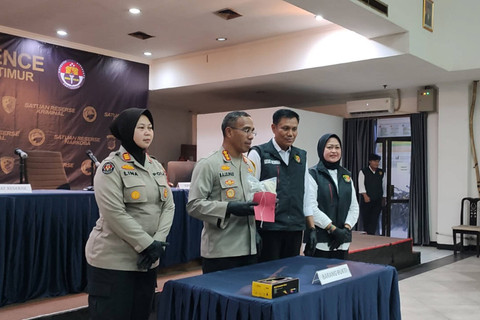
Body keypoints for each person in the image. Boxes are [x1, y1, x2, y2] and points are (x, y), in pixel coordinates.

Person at [85, 108, 175, 320]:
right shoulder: (110, 167)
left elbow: (168, 206)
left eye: (150, 128)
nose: (148, 133)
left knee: (141, 314)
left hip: (147, 260)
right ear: (126, 130)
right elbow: (114, 212)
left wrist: (158, 242)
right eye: (141, 127)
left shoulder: (155, 165)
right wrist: (146, 243)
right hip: (114, 261)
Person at [187, 111, 259, 273]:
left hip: (250, 250)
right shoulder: (209, 164)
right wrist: (229, 208)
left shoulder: (249, 165)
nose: (251, 136)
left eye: (253, 131)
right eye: (246, 130)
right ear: (229, 132)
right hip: (221, 253)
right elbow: (193, 205)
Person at [248, 109, 316, 262]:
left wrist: (311, 228)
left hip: (295, 228)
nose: (290, 133)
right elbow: (250, 194)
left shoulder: (301, 156)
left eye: (294, 129)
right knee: (267, 277)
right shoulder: (259, 153)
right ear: (274, 128)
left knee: (290, 275)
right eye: (285, 128)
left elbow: (306, 194)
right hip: (269, 229)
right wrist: (254, 230)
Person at [305, 133, 359, 260]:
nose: (334, 151)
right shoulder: (312, 174)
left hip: (343, 241)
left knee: (341, 278)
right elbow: (311, 207)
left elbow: (354, 206)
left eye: (337, 147)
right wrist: (333, 229)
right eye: (329, 147)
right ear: (321, 149)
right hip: (321, 241)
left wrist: (346, 229)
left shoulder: (346, 175)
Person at [358, 153, 386, 235]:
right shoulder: (363, 171)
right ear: (370, 161)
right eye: (375, 161)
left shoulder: (381, 172)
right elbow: (361, 184)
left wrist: (384, 197)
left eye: (378, 161)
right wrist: (365, 195)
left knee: (374, 219)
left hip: (377, 200)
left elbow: (384, 185)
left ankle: (372, 235)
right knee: (366, 219)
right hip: (367, 200)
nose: (377, 163)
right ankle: (367, 236)